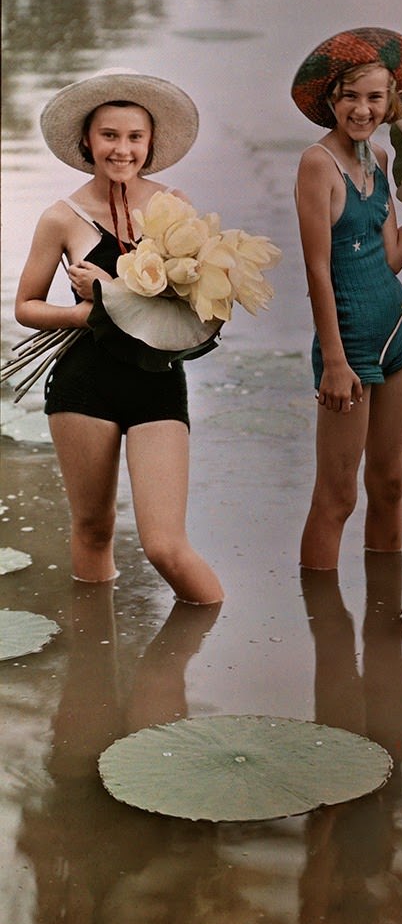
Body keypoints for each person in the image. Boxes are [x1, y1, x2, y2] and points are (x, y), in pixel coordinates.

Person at [14, 69, 224, 604]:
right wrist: (91, 315)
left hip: (157, 384)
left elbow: (202, 306)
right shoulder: (61, 216)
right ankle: (93, 667)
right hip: (84, 387)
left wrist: (111, 295)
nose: (122, 149)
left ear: (150, 143)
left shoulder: (173, 207)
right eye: (110, 135)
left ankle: (207, 621)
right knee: (93, 530)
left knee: (165, 546)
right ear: (87, 140)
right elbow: (26, 307)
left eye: (134, 137)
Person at [291, 26, 402, 570]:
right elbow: (318, 270)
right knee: (338, 497)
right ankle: (326, 635)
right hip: (350, 346)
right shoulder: (317, 164)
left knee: (390, 483)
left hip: (396, 336)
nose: (362, 110)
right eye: (351, 97)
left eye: (375, 97)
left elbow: (389, 257)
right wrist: (336, 362)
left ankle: (383, 624)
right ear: (331, 101)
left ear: (393, 102)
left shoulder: (380, 160)